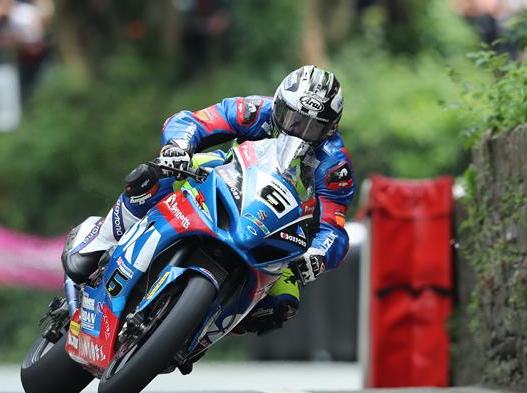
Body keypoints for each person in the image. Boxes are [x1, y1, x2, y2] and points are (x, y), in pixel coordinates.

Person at [63, 65, 354, 334]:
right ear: (278, 104)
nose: (299, 132)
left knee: (281, 305)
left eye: (312, 127)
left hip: (279, 226)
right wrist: (178, 147)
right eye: (294, 119)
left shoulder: (334, 164)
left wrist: (317, 256)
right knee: (153, 177)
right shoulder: (255, 110)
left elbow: (333, 227)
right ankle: (99, 242)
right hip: (226, 175)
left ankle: (194, 331)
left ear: (330, 128)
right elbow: (193, 121)